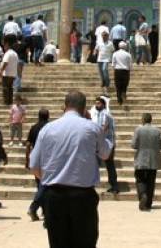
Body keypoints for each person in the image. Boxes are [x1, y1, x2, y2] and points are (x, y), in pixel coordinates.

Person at [29, 90, 113, 248]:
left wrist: (50, 180)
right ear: (84, 108)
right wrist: (106, 133)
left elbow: (33, 165)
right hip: (83, 197)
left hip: (54, 195)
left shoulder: (47, 129)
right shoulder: (92, 128)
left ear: (65, 106)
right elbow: (105, 154)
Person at [132, 113, 161, 211]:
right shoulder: (158, 131)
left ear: (143, 120)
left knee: (140, 180)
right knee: (151, 181)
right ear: (151, 120)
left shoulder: (138, 130)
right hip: (153, 160)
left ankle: (143, 195)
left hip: (141, 159)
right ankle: (148, 203)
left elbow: (133, 145)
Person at [26, 108, 50, 222]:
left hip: (36, 159)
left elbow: (28, 145)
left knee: (40, 185)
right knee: (44, 185)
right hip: (47, 159)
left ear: (38, 116)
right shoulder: (50, 127)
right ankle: (34, 207)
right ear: (48, 116)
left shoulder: (34, 128)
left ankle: (44, 210)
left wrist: (27, 159)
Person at [92, 97, 119, 194]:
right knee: (108, 164)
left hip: (107, 143)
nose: (96, 105)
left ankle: (114, 186)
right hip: (103, 142)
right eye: (96, 103)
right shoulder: (98, 114)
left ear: (103, 105)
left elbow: (103, 128)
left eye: (98, 103)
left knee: (109, 164)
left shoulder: (105, 114)